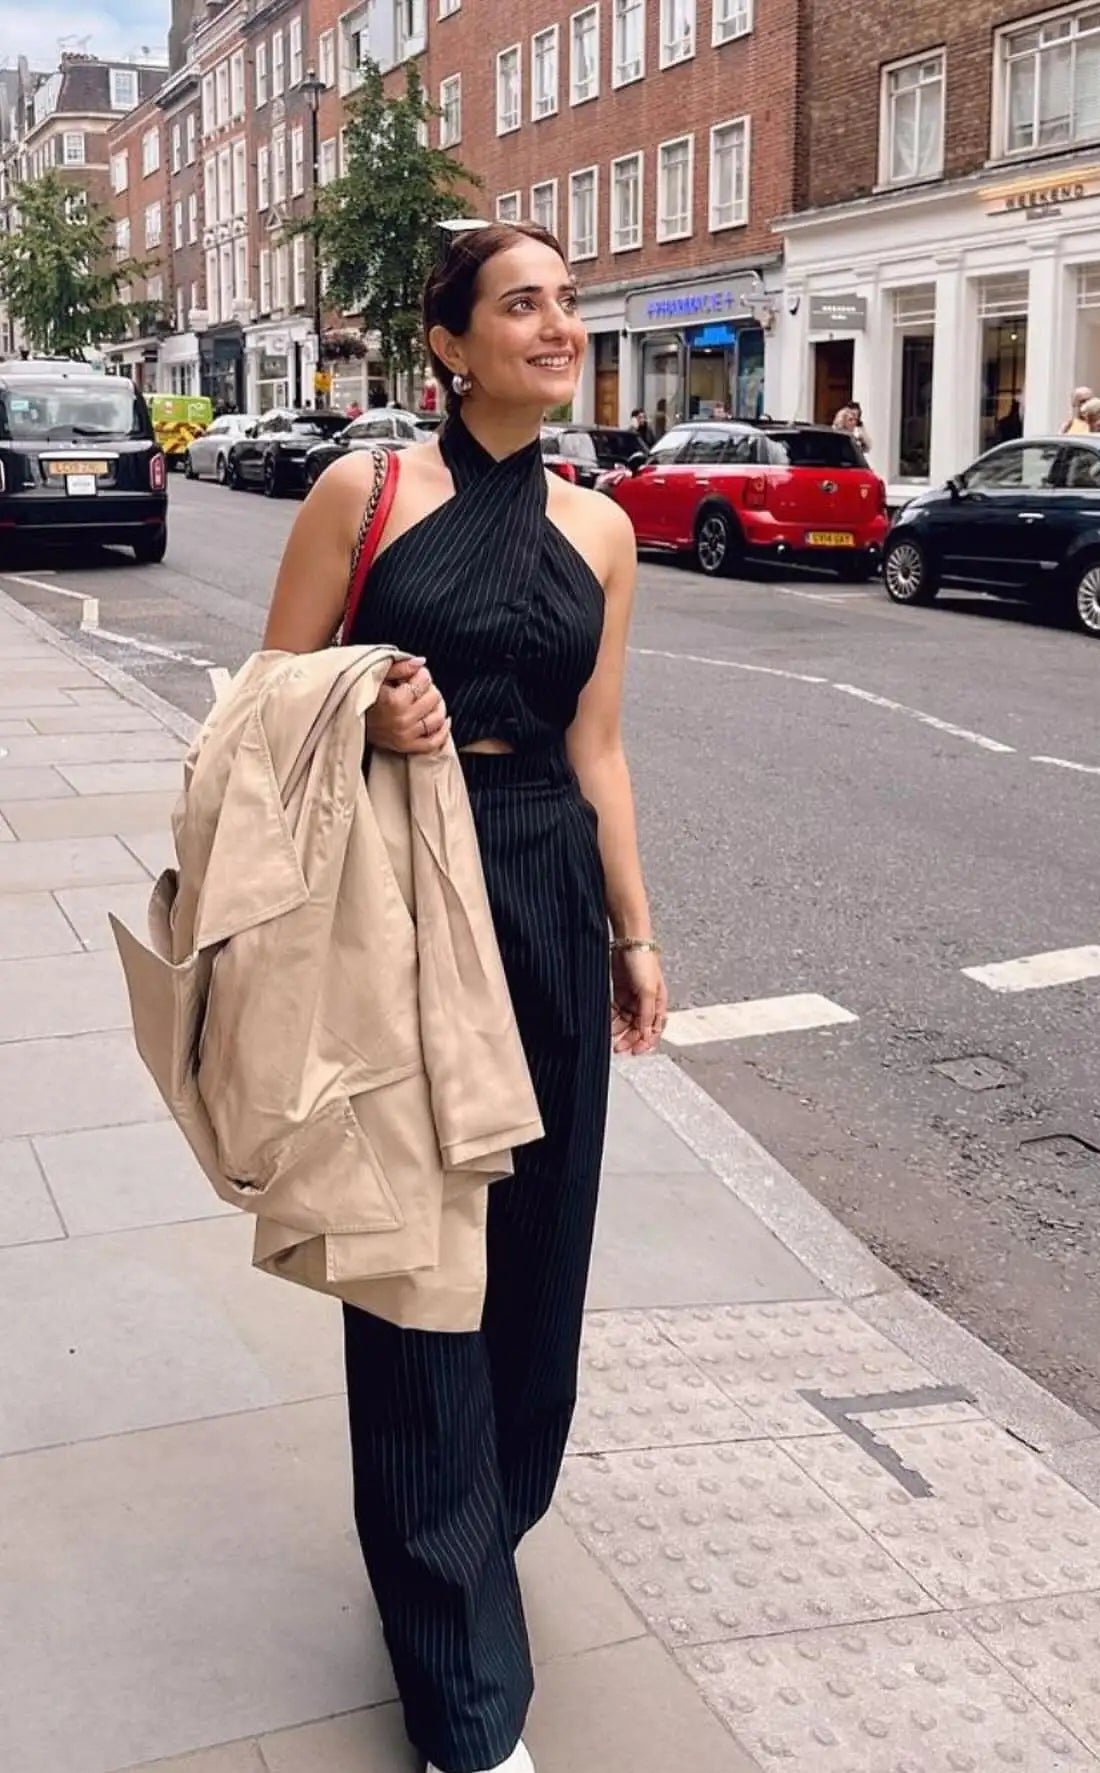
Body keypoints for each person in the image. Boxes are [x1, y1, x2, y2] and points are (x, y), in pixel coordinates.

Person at [261, 219, 666, 1773]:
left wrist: (635, 934)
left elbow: (599, 744)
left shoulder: (601, 530)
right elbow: (266, 701)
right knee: (422, 1265)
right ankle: (467, 1702)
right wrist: (365, 705)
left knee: (538, 1267)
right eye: (521, 304)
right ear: (448, 344)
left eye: (568, 302)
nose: (558, 326)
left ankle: (473, 1536)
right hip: (402, 894)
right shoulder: (363, 494)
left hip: (546, 890)